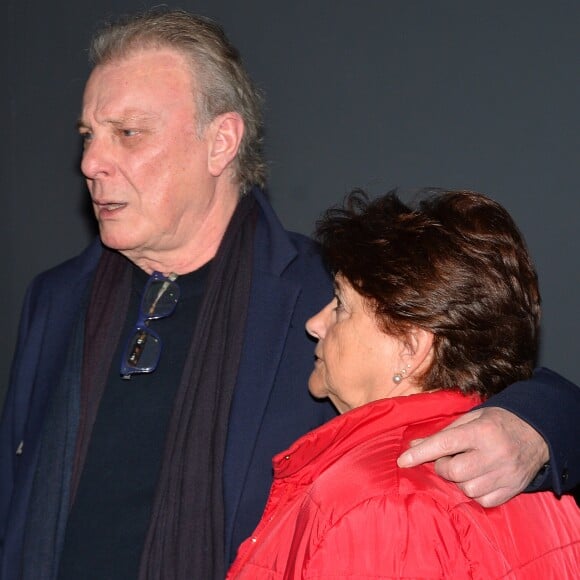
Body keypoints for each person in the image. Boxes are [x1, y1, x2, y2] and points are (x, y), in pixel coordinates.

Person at [0, 8, 578, 580]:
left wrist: (534, 429)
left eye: (127, 133)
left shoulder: (327, 294)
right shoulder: (55, 299)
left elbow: (492, 364)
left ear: (220, 141)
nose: (91, 163)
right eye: (89, 136)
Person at [227, 189, 580, 579]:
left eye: (341, 306)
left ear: (410, 349)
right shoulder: (537, 483)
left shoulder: (382, 506)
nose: (315, 324)